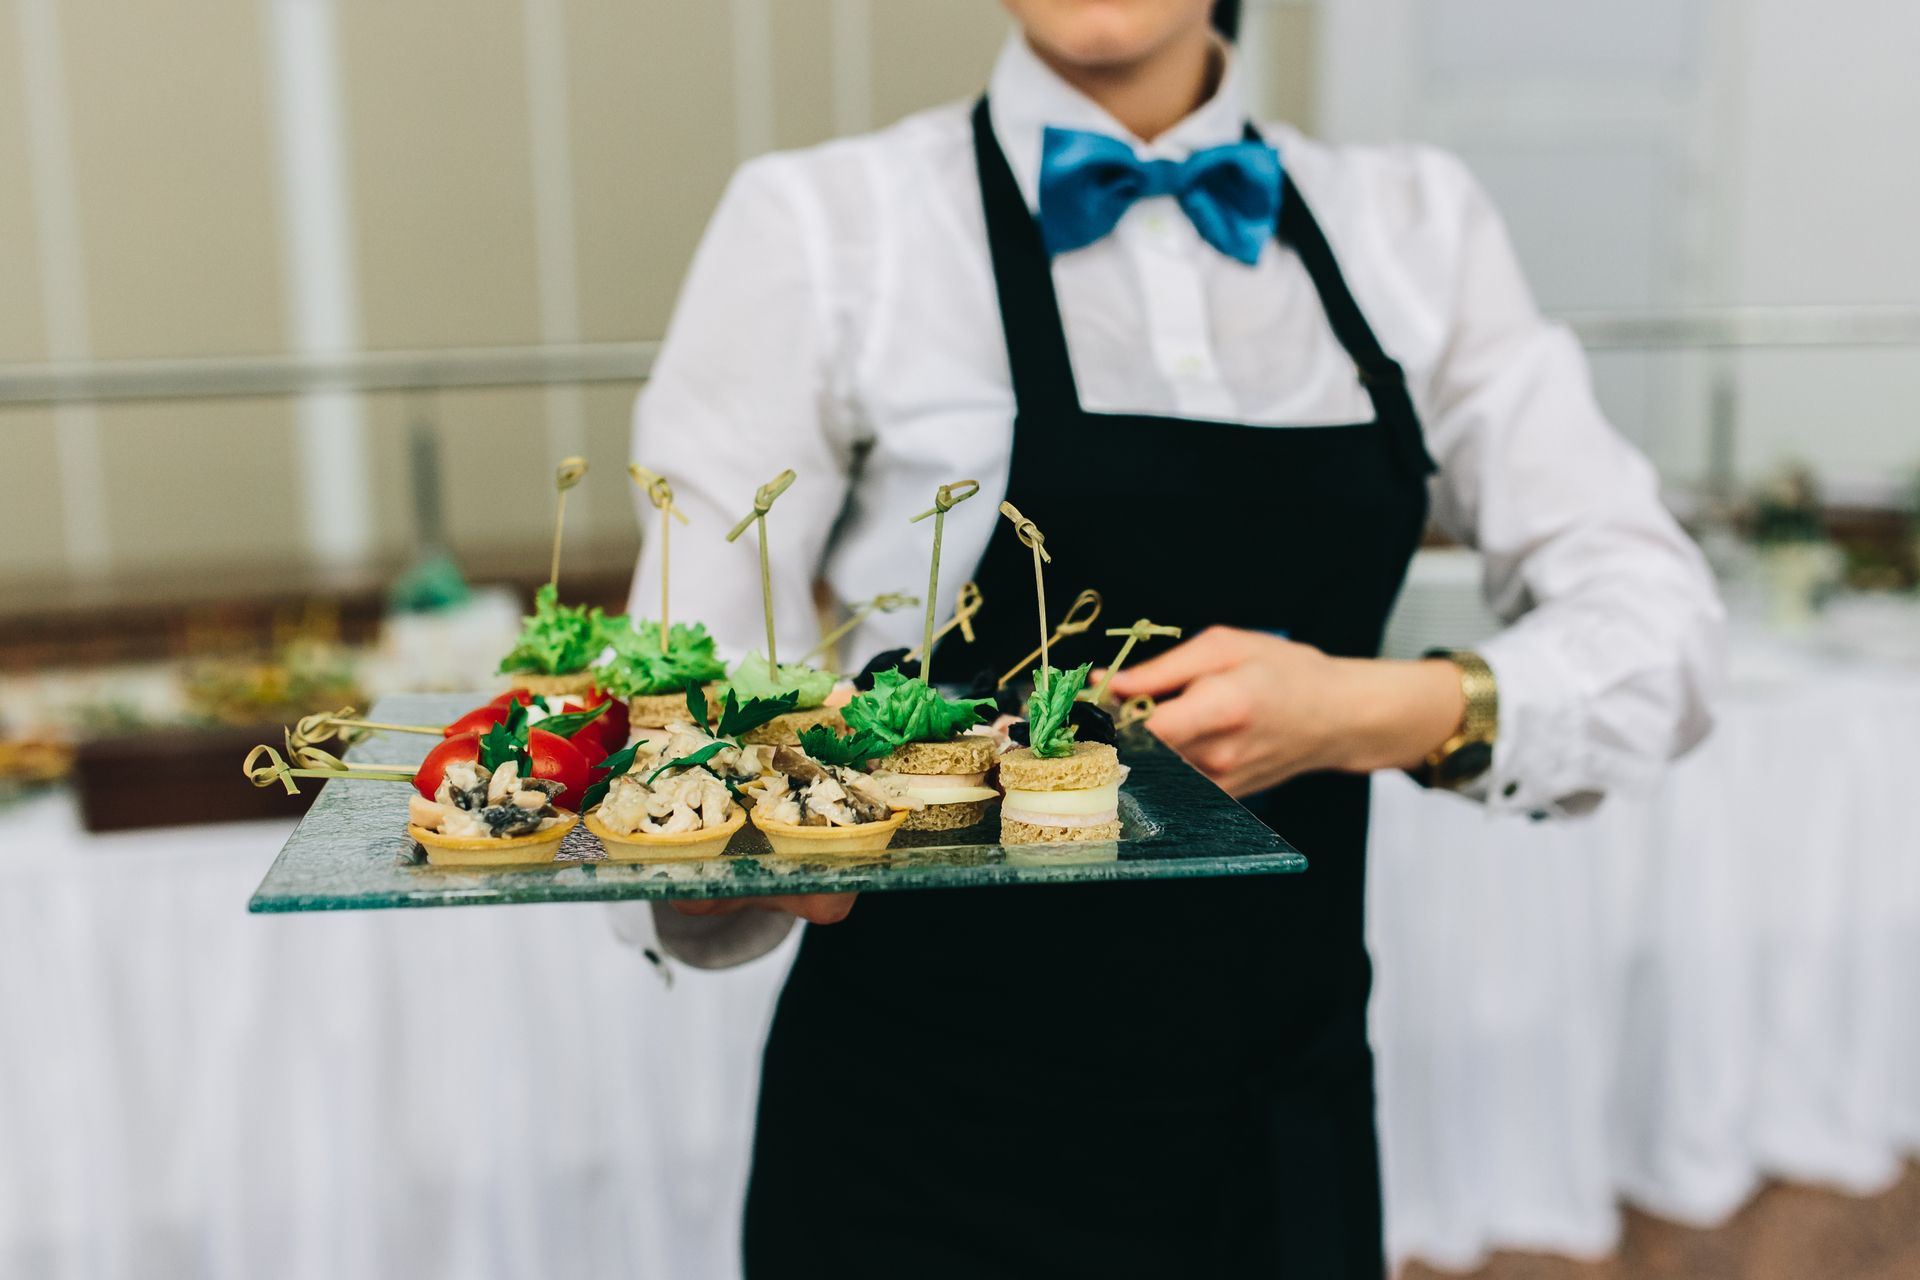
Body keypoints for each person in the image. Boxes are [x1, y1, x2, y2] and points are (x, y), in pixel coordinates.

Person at [616, 0, 1723, 1274]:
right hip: (919, 1146)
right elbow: (679, 695)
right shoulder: (823, 223)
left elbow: (1665, 632)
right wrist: (753, 826)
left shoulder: (1415, 222)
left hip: (1274, 1136)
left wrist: (1365, 710)